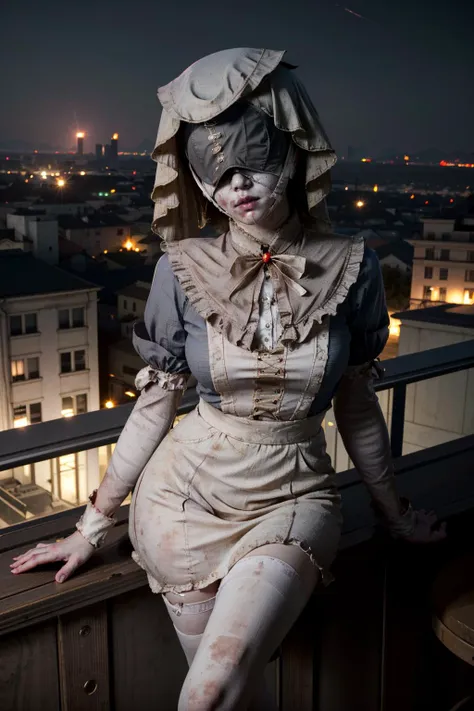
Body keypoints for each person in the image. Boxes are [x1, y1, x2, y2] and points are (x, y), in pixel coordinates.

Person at [11, 48, 446, 711]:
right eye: (214, 173)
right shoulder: (179, 268)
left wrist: (393, 512)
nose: (235, 186)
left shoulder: (354, 268)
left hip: (294, 494)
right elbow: (155, 406)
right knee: (225, 701)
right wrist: (92, 528)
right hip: (182, 503)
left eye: (254, 161)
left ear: (296, 152)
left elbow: (357, 408)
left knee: (208, 692)